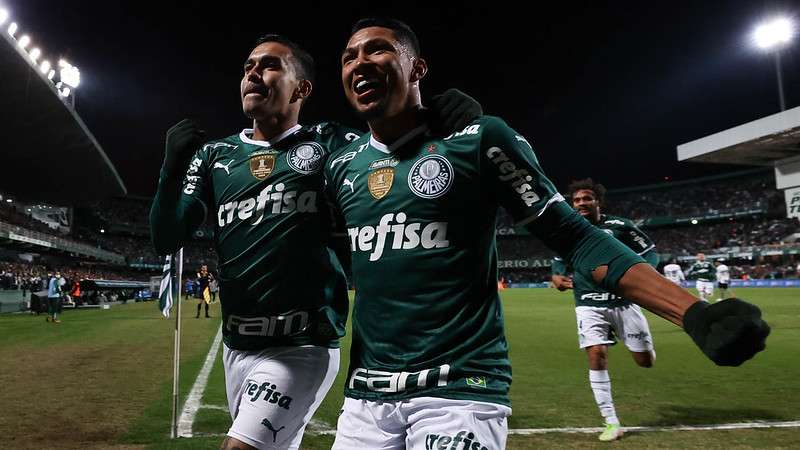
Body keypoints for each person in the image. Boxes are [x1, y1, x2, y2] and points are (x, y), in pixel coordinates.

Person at [325, 17, 770, 449]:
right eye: (348, 57)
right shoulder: (342, 165)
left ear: (417, 68)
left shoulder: (477, 139)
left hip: (459, 389)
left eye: (376, 49)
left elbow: (574, 236)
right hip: (366, 397)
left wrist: (693, 312)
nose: (358, 62)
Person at [150, 33, 480, 450]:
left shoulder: (327, 143)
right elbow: (167, 238)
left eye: (269, 65)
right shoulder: (215, 156)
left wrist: (445, 124)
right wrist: (171, 169)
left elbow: (394, 158)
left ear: (301, 88)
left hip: (301, 344)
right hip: (238, 345)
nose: (253, 73)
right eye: (248, 66)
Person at [551, 179, 657, 441]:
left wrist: (644, 278)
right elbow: (557, 261)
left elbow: (650, 252)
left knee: (645, 361)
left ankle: (635, 343)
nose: (581, 204)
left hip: (623, 303)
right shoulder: (569, 229)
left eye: (587, 198)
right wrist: (556, 276)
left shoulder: (620, 227)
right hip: (588, 303)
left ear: (598, 201)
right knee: (597, 354)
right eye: (576, 200)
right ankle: (611, 421)